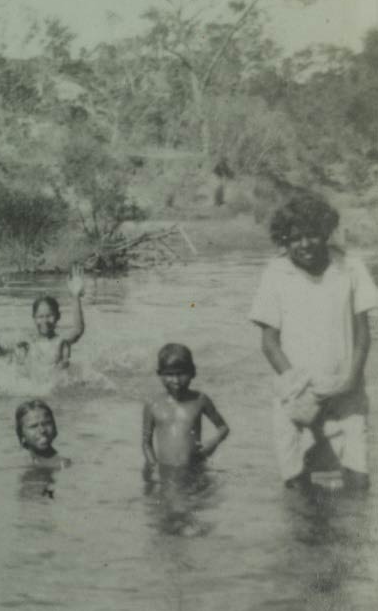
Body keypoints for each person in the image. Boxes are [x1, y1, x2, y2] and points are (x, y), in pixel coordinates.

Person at [249, 191, 378, 490]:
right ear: (284, 240)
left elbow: (363, 334)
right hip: (296, 395)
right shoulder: (276, 273)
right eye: (294, 238)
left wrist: (351, 378)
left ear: (325, 232)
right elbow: (269, 343)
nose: (304, 244)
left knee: (357, 480)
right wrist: (298, 386)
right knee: (298, 483)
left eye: (311, 235)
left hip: (346, 390)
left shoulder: (350, 267)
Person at [141, 344, 230, 472]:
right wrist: (153, 467)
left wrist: (213, 443)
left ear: (193, 372)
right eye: (169, 374)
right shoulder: (152, 404)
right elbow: (146, 443)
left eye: (181, 374)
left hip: (195, 469)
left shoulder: (200, 400)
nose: (176, 380)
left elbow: (223, 428)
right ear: (159, 374)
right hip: (165, 469)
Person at [0, 265, 86, 368]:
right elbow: (1, 353)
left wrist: (75, 296)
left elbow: (78, 330)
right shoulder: (27, 344)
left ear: (58, 316)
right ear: (34, 318)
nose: (45, 321)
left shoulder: (61, 342)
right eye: (40, 317)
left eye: (49, 316)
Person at [14, 399, 70, 468]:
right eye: (33, 426)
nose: (42, 430)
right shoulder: (18, 462)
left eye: (47, 423)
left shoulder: (62, 464)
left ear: (55, 427)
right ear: (21, 432)